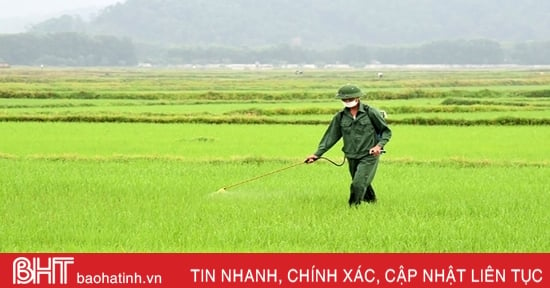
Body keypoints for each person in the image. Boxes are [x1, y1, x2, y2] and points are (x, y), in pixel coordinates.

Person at [305, 84, 392, 207]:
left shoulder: (371, 112)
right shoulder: (340, 116)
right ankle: (372, 202)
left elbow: (386, 131)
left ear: (357, 98)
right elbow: (330, 137)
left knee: (358, 183)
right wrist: (316, 155)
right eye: (344, 100)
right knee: (361, 180)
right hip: (351, 155)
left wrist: (379, 146)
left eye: (350, 99)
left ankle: (353, 208)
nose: (347, 101)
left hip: (369, 155)